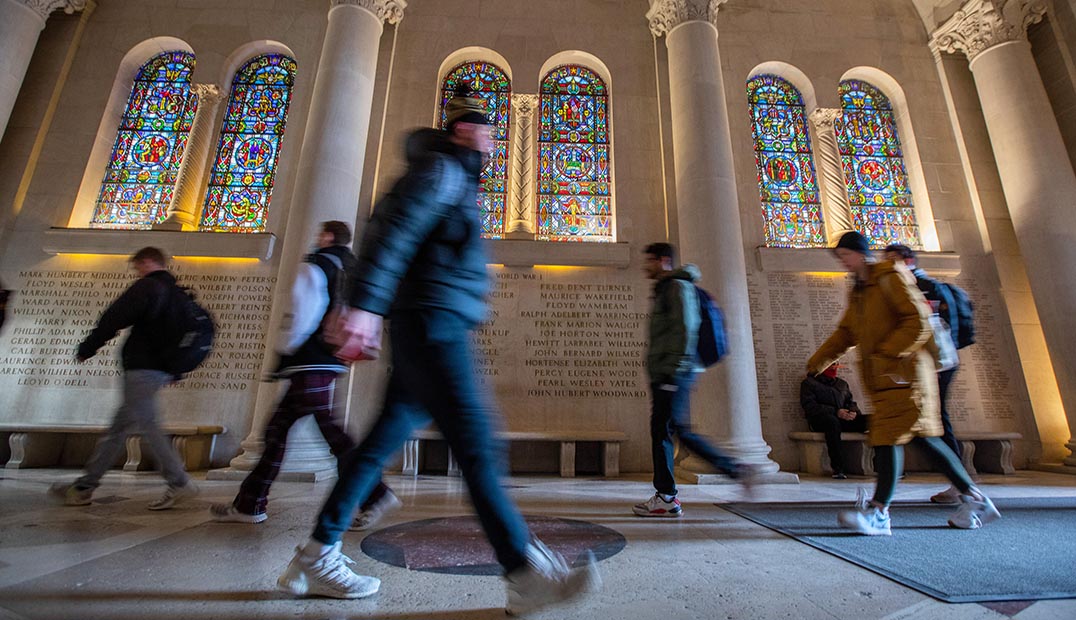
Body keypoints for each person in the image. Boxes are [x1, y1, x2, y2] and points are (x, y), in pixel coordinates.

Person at [274, 90, 599, 614]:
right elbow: (392, 232)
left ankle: (315, 554)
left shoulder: (454, 175)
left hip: (430, 321)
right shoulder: (442, 169)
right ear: (462, 131)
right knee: (475, 443)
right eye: (485, 127)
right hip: (433, 323)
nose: (493, 136)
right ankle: (523, 572)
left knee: (378, 446)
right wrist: (364, 307)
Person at [807, 232, 999, 536]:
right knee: (924, 440)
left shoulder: (890, 276)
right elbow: (846, 333)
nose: (842, 261)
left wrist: (888, 353)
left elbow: (918, 322)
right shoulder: (859, 291)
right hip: (887, 379)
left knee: (888, 440)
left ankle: (879, 512)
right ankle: (975, 500)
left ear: (861, 253)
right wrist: (818, 362)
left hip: (906, 376)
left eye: (845, 254)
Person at [210, 221, 400, 527]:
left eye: (319, 234)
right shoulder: (352, 269)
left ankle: (375, 492)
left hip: (310, 360)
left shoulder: (317, 266)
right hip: (330, 361)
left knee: (333, 434)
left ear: (327, 237)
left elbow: (302, 313)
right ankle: (249, 503)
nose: (316, 238)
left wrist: (286, 351)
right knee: (276, 433)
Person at [48, 247, 199, 510]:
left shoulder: (148, 287)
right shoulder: (178, 294)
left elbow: (114, 317)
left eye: (138, 265)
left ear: (149, 261)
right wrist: (175, 371)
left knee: (148, 425)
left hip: (142, 368)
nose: (137, 271)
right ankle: (84, 487)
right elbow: (180, 336)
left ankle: (179, 481)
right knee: (119, 429)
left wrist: (88, 347)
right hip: (158, 370)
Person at [632, 242, 757, 518]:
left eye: (650, 260)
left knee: (671, 432)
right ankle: (672, 493)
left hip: (673, 372)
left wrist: (671, 372)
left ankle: (674, 493)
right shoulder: (667, 288)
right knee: (670, 431)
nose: (645, 266)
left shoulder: (677, 288)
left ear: (664, 261)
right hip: (669, 372)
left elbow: (685, 329)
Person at [883, 243, 963, 504]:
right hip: (917, 364)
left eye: (892, 261)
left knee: (936, 421)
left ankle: (962, 485)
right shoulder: (903, 286)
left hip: (935, 365)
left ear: (907, 261)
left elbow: (931, 330)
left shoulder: (925, 286)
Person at [800, 363, 866, 479]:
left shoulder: (842, 383)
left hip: (843, 418)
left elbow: (850, 402)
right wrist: (836, 411)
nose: (834, 368)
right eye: (831, 365)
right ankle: (838, 468)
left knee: (870, 420)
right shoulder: (809, 383)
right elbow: (810, 406)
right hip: (822, 420)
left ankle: (882, 464)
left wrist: (853, 412)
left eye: (835, 365)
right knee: (832, 423)